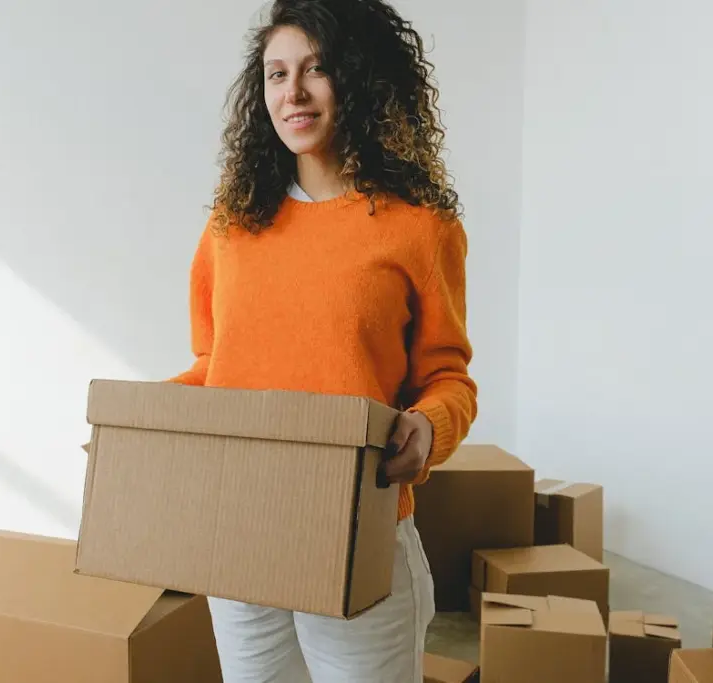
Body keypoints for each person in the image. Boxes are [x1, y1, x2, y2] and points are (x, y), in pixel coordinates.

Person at [168, 0, 478, 680]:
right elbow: (215, 367)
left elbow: (449, 378)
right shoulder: (232, 225)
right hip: (240, 536)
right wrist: (149, 422)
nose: (293, 93)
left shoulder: (420, 228)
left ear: (361, 79)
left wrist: (427, 429)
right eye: (276, 75)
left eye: (317, 70)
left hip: (356, 536)